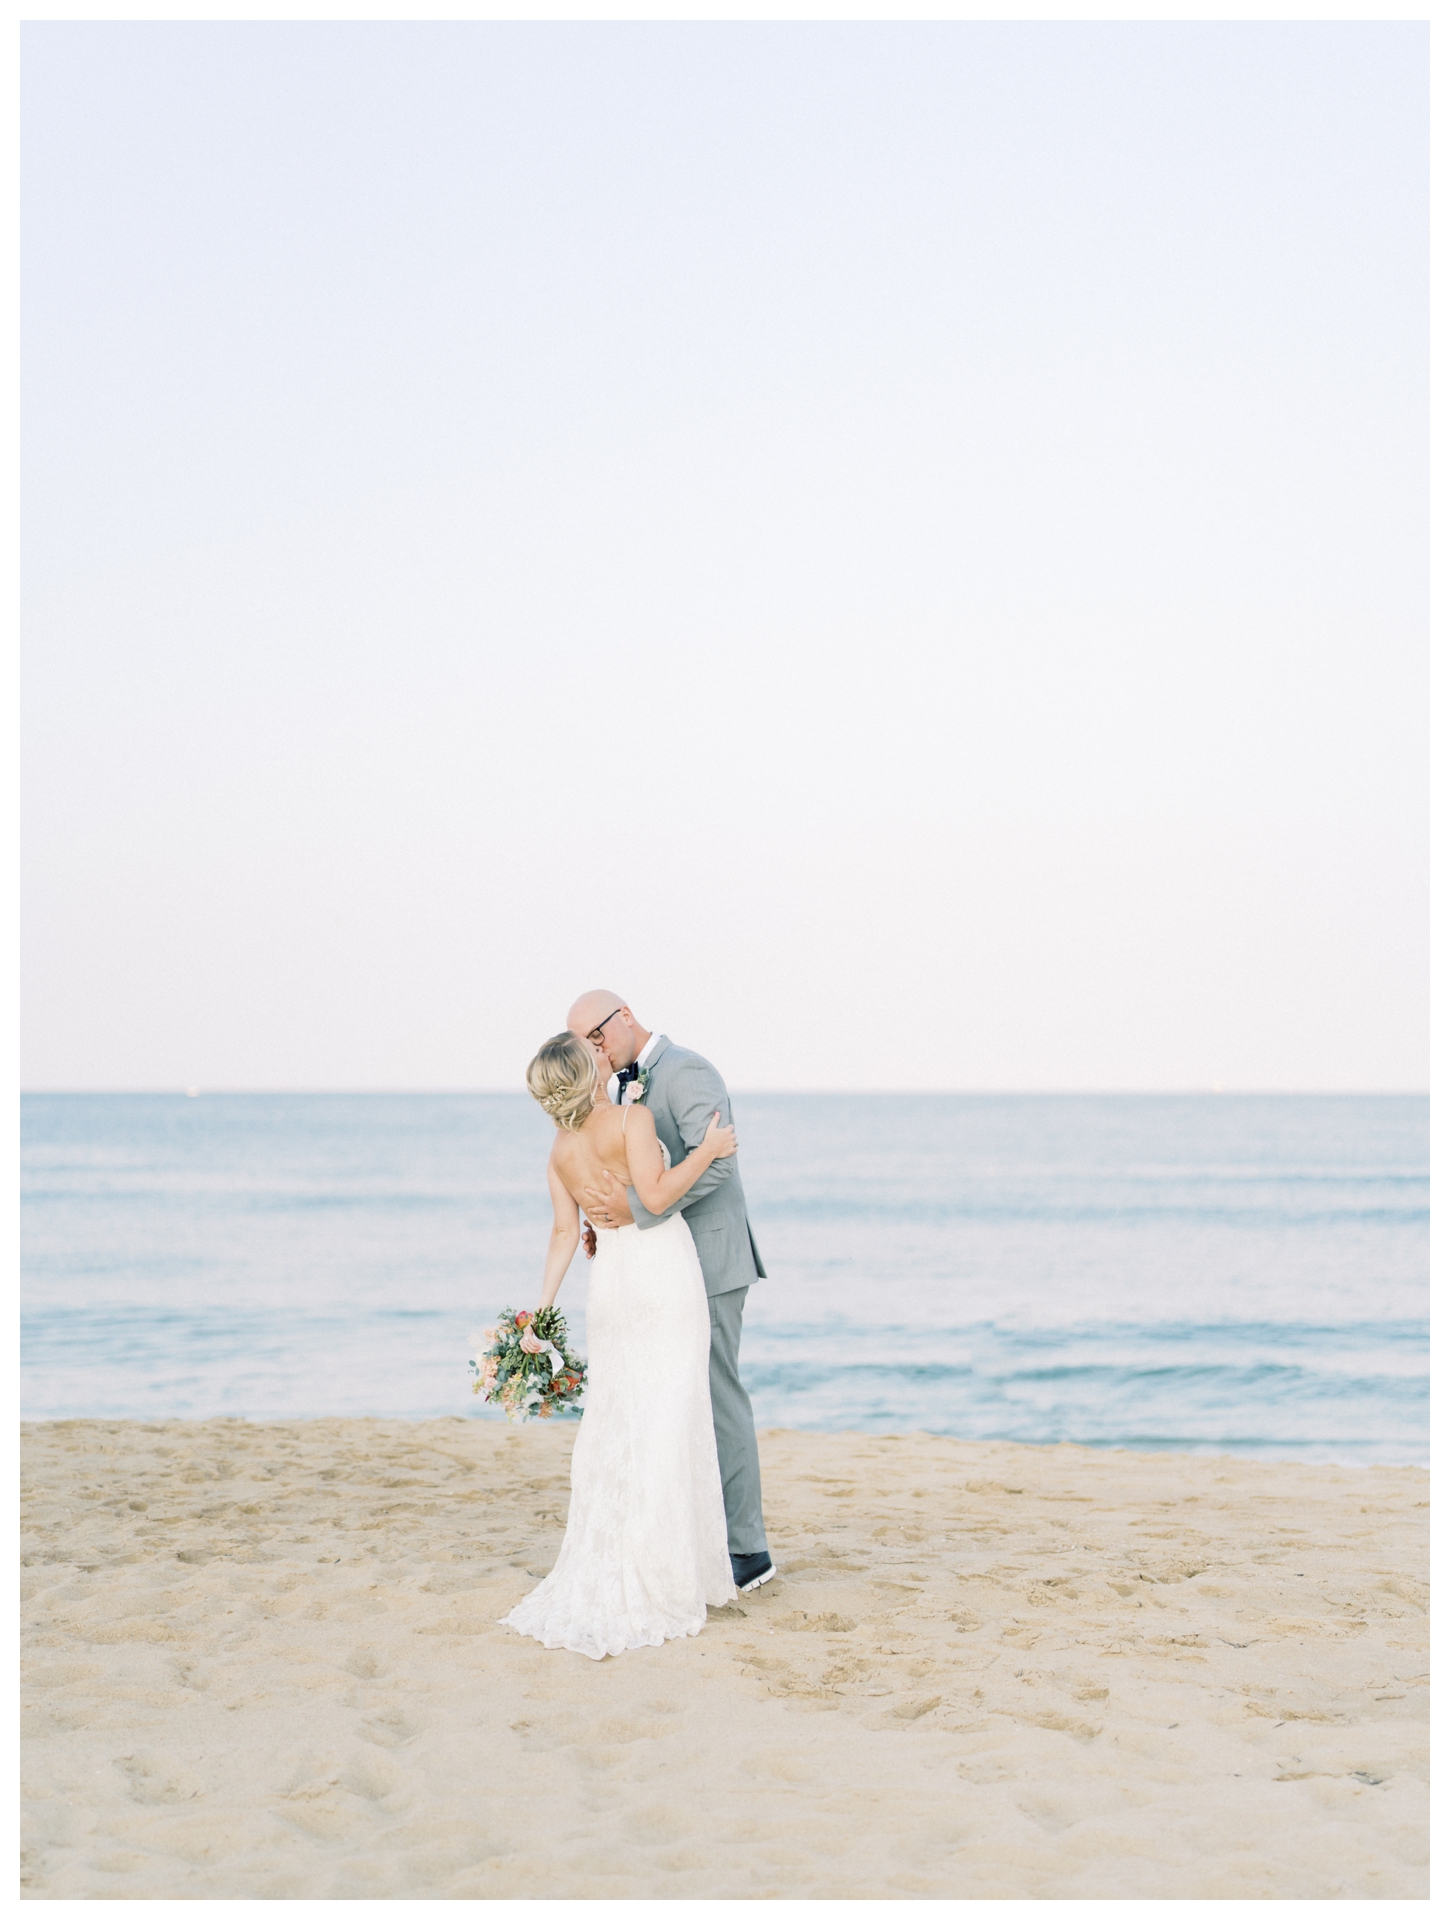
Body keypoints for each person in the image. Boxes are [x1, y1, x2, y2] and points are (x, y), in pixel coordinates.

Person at [501, 1030, 739, 1658]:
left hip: (610, 1288)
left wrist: (540, 1315)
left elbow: (561, 1234)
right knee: (668, 1417)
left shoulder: (559, 1150)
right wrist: (710, 1149)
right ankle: (662, 1575)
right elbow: (657, 1197)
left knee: (621, 1420)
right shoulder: (633, 1119)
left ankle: (626, 1555)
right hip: (660, 1275)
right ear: (588, 1070)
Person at [566, 991, 773, 1595]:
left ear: (625, 1015)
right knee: (665, 1400)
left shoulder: (691, 1071)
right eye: (585, 1045)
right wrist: (602, 1219)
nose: (595, 1050)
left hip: (709, 1259)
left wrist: (633, 1210)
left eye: (598, 1037)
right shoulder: (611, 1086)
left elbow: (717, 1166)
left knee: (716, 1395)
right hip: (656, 1269)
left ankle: (747, 1548)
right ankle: (690, 1538)